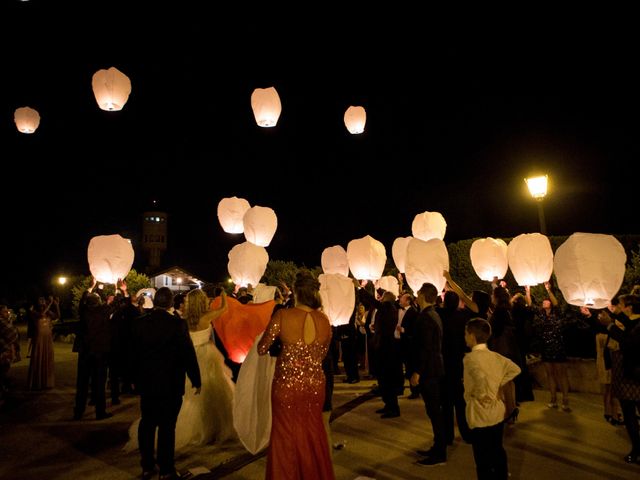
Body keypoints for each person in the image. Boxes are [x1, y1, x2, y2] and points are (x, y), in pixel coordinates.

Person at [257, 270, 335, 479]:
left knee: (285, 436)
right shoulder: (325, 321)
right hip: (315, 385)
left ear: (295, 292)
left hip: (287, 386)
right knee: (313, 432)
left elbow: (262, 348)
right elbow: (322, 354)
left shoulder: (282, 315)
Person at [130, 287, 201, 480]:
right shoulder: (177, 324)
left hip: (147, 383)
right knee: (167, 426)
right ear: (170, 303)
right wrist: (196, 379)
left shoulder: (139, 324)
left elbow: (132, 355)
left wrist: (133, 379)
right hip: (170, 382)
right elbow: (188, 353)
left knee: (147, 422)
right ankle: (166, 468)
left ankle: (147, 465)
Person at [175, 288, 235, 447]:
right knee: (215, 390)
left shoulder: (184, 319)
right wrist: (223, 295)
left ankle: (195, 427)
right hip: (207, 354)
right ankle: (213, 427)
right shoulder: (207, 317)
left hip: (190, 355)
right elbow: (224, 308)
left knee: (191, 394)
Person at [464, 318, 521, 479]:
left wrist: (483, 394)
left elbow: (479, 377)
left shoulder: (470, 359)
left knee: (482, 456)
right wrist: (497, 386)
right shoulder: (495, 356)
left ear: (472, 336)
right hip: (496, 411)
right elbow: (514, 369)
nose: (465, 337)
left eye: (466, 334)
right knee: (497, 449)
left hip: (480, 412)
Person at [27, 295, 59, 390]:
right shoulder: (33, 311)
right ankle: (37, 382)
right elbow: (41, 315)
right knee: (39, 356)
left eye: (43, 299)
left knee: (46, 357)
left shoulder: (48, 312)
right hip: (39, 338)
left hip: (47, 338)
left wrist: (56, 305)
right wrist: (50, 303)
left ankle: (46, 382)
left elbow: (57, 316)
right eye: (40, 300)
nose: (42, 301)